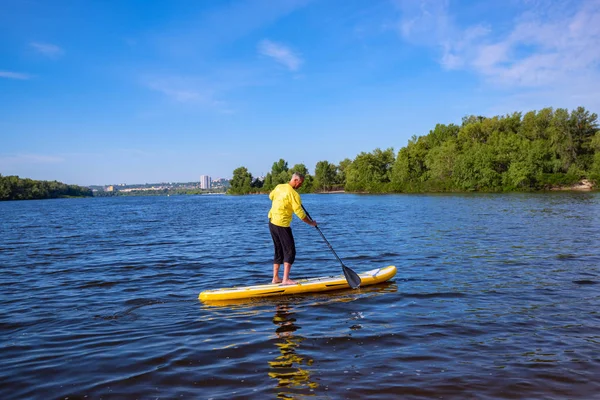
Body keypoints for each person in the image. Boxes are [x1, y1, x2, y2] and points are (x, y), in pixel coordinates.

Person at [268, 173, 317, 285]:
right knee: (290, 251)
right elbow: (300, 214)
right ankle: (285, 279)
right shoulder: (293, 194)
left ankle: (275, 278)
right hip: (282, 225)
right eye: (300, 183)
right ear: (295, 180)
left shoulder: (279, 187)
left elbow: (271, 196)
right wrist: (311, 223)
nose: (301, 185)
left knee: (278, 250)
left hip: (271, 222)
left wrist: (284, 201)